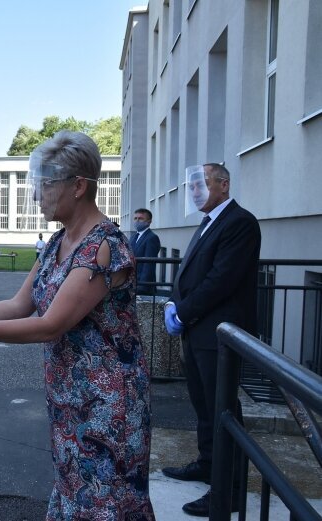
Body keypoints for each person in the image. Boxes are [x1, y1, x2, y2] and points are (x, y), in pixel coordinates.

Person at [0, 131, 154, 520]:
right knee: (74, 493)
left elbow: (50, 325)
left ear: (79, 186)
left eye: (46, 184)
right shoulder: (57, 242)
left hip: (107, 408)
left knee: (104, 503)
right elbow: (19, 305)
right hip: (70, 401)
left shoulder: (104, 246)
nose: (36, 195)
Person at [161, 163, 260, 517]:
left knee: (223, 410)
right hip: (198, 332)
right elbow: (190, 271)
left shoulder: (239, 222)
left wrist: (184, 311)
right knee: (204, 406)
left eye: (200, 184)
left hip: (219, 334)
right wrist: (174, 302)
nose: (194, 191)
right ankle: (208, 464)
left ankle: (230, 489)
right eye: (191, 186)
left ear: (223, 184)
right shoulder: (209, 222)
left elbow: (221, 280)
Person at [130, 208, 161, 295]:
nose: (137, 221)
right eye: (135, 218)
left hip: (142, 287)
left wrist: (142, 287)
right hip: (131, 283)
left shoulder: (152, 238)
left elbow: (149, 265)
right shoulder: (133, 237)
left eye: (140, 218)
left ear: (149, 221)